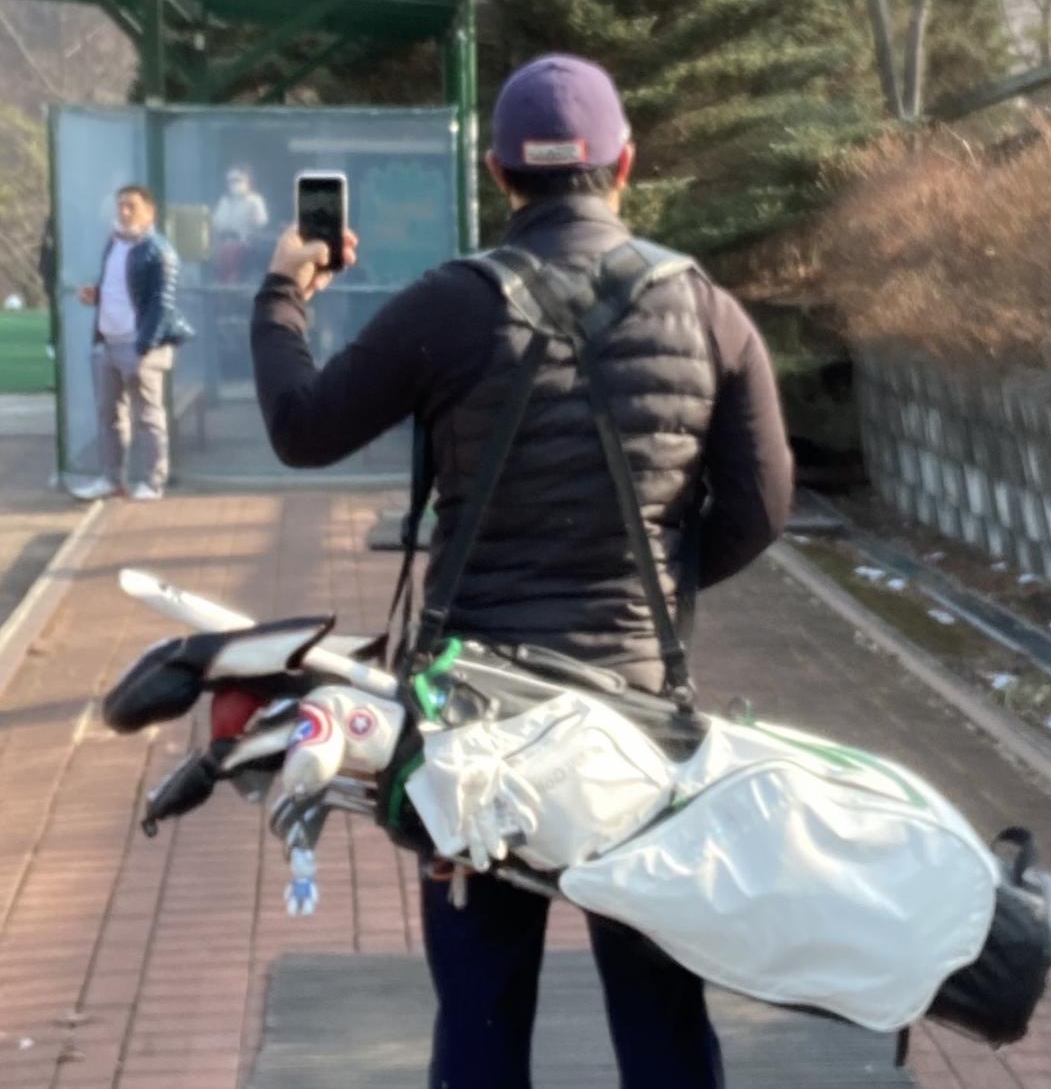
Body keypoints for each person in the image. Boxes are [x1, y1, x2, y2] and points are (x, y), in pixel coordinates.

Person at [250, 54, 793, 1089]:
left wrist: (285, 290)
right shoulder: (707, 309)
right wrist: (656, 589)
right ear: (624, 164)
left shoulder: (448, 306)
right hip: (640, 722)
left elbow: (302, 426)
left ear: (501, 174)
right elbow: (763, 507)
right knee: (665, 1020)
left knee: (483, 1015)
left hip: (475, 727)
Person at [71, 184, 193, 502]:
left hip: (140, 346)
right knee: (109, 416)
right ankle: (112, 480)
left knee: (148, 417)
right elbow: (118, 289)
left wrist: (144, 347)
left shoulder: (159, 251)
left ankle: (153, 482)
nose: (124, 212)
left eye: (132, 206)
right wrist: (95, 295)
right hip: (108, 344)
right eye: (121, 205)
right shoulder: (113, 245)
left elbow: (161, 303)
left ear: (150, 212)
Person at [212, 164, 269, 283]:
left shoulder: (254, 200)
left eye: (237, 180)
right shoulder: (225, 201)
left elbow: (261, 222)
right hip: (223, 244)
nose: (233, 184)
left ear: (247, 180)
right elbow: (216, 223)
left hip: (245, 244)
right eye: (230, 181)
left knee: (232, 253)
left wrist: (254, 218)